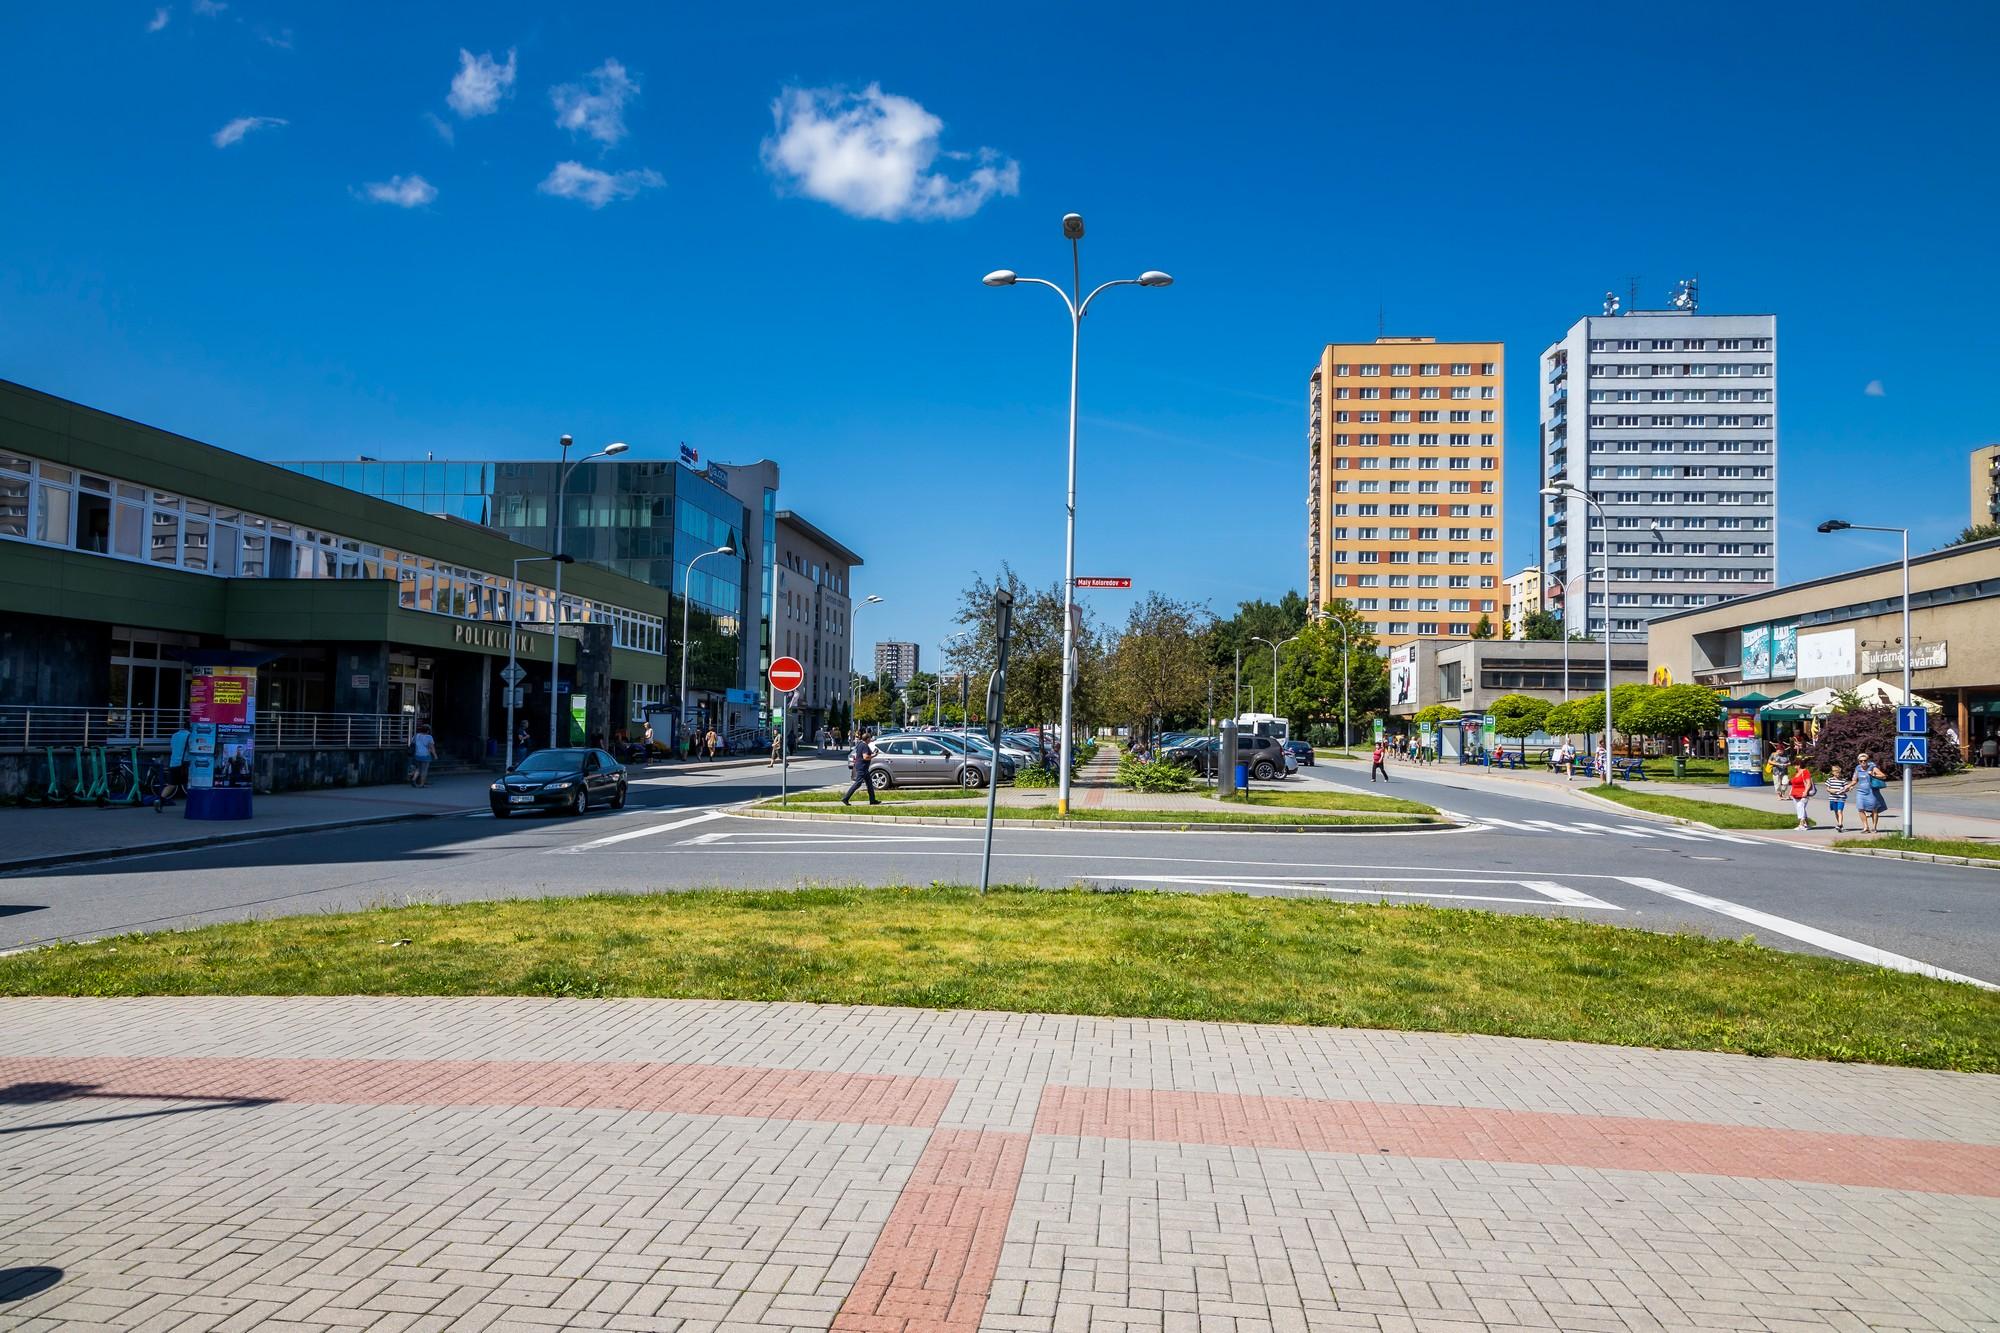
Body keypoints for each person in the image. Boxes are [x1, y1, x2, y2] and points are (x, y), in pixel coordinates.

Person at [158, 723, 192, 811]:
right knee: (190, 784)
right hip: (183, 764)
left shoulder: (175, 735)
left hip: (173, 763)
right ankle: (192, 804)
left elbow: (172, 747)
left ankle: (160, 801)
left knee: (171, 785)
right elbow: (191, 749)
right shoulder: (189, 736)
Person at [841, 731, 880, 805]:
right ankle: (845, 798)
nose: (870, 739)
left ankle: (872, 800)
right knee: (858, 783)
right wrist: (874, 755)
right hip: (862, 767)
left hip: (863, 767)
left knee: (869, 784)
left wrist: (873, 753)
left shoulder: (860, 744)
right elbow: (865, 757)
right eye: (870, 738)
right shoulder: (865, 746)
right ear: (867, 739)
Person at [1854, 751, 1887, 834]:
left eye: (1865, 760)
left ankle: (1874, 827)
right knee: (1860, 809)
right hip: (1861, 792)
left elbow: (1883, 776)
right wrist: (1848, 786)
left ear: (1867, 760)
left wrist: (1873, 774)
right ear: (1858, 762)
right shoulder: (1857, 768)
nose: (1863, 762)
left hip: (1871, 791)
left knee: (1874, 810)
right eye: (1861, 761)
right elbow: (1854, 780)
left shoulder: (1872, 768)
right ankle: (1866, 827)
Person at [1787, 759, 1815, 830]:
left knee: (1800, 806)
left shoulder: (1805, 772)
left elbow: (1808, 783)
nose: (1794, 766)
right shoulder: (1796, 773)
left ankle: (1801, 824)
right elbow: (1793, 784)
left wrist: (1805, 792)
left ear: (1799, 765)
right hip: (1795, 793)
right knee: (1799, 808)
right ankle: (1807, 824)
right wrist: (1790, 791)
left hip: (1803, 793)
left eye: (1795, 765)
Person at [1824, 764, 1851, 832]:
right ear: (1833, 772)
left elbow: (1847, 788)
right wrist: (1832, 790)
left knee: (1840, 811)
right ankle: (1839, 824)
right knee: (1836, 812)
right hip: (1833, 798)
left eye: (1838, 772)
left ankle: (1840, 824)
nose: (1837, 774)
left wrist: (1846, 789)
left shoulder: (1843, 780)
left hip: (1841, 798)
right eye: (1836, 772)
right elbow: (1827, 789)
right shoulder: (1830, 780)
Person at [410, 723, 436, 787]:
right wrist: (435, 755)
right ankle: (422, 784)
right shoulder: (429, 737)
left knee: (418, 768)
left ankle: (413, 779)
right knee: (424, 770)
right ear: (428, 731)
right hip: (426, 755)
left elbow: (412, 743)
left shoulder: (417, 736)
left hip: (417, 755)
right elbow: (432, 747)